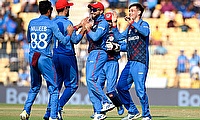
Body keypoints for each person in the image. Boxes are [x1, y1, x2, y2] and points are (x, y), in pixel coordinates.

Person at [19, 1, 73, 120]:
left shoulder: (32, 23)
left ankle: (25, 111)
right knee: (53, 89)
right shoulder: (51, 24)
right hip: (45, 58)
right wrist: (69, 34)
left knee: (34, 87)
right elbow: (64, 41)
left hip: (33, 56)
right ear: (49, 11)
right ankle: (53, 116)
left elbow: (28, 39)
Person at [43, 0, 87, 119]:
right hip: (67, 56)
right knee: (72, 85)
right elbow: (75, 40)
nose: (69, 9)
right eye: (68, 7)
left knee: (56, 87)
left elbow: (66, 30)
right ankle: (58, 108)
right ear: (66, 9)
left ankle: (48, 113)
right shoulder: (67, 22)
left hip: (55, 55)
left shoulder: (53, 22)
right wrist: (84, 30)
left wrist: (79, 25)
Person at [112, 3, 152, 120]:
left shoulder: (144, 24)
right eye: (129, 11)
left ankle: (146, 115)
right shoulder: (130, 28)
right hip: (130, 63)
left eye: (133, 11)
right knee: (120, 87)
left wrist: (132, 23)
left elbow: (145, 33)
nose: (130, 13)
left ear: (139, 12)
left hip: (140, 62)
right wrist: (114, 24)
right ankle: (132, 111)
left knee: (140, 90)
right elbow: (118, 38)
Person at [92, 12, 127, 117]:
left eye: (110, 21)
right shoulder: (100, 31)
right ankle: (98, 111)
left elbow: (124, 45)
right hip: (101, 63)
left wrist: (116, 47)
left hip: (112, 62)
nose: (109, 24)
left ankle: (119, 104)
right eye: (107, 21)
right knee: (97, 87)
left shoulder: (115, 33)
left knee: (111, 91)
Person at [83, 2, 109, 120]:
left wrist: (88, 29)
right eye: (91, 10)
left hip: (99, 52)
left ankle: (106, 101)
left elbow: (95, 37)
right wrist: (85, 26)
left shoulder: (103, 23)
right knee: (89, 83)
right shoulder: (95, 23)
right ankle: (98, 111)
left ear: (101, 11)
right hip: (93, 52)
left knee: (90, 79)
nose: (92, 11)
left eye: (94, 10)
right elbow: (90, 37)